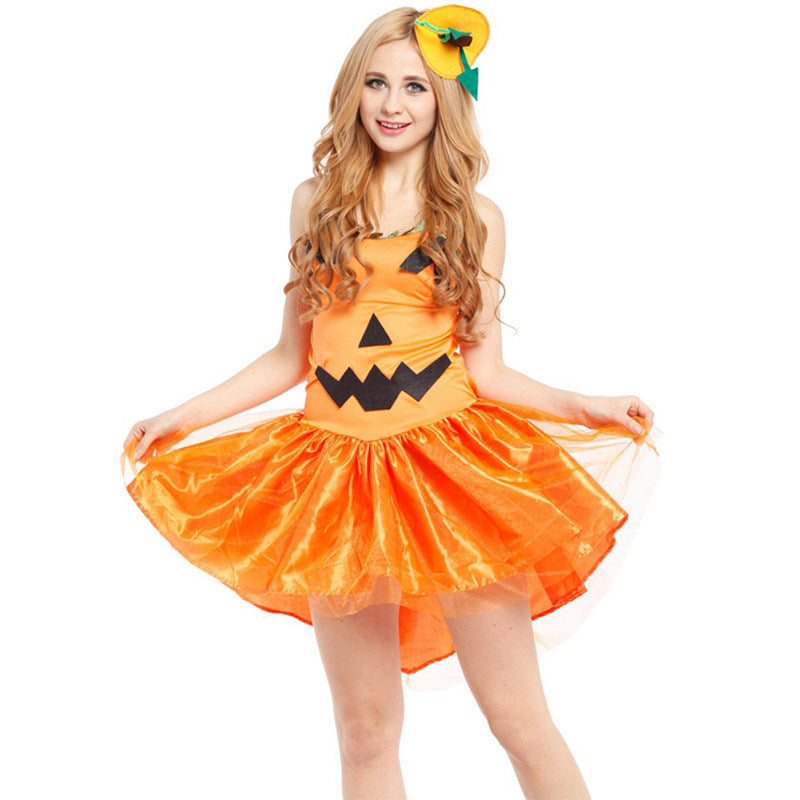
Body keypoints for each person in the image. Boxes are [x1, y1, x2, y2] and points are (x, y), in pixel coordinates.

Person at [122, 6, 658, 799]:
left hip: (451, 474)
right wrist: (183, 415)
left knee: (515, 715)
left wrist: (582, 405)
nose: (393, 103)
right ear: (353, 92)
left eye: (415, 86)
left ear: (446, 99)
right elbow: (290, 356)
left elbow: (488, 371)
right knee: (365, 729)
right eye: (376, 82)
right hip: (338, 483)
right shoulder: (316, 204)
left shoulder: (474, 219)